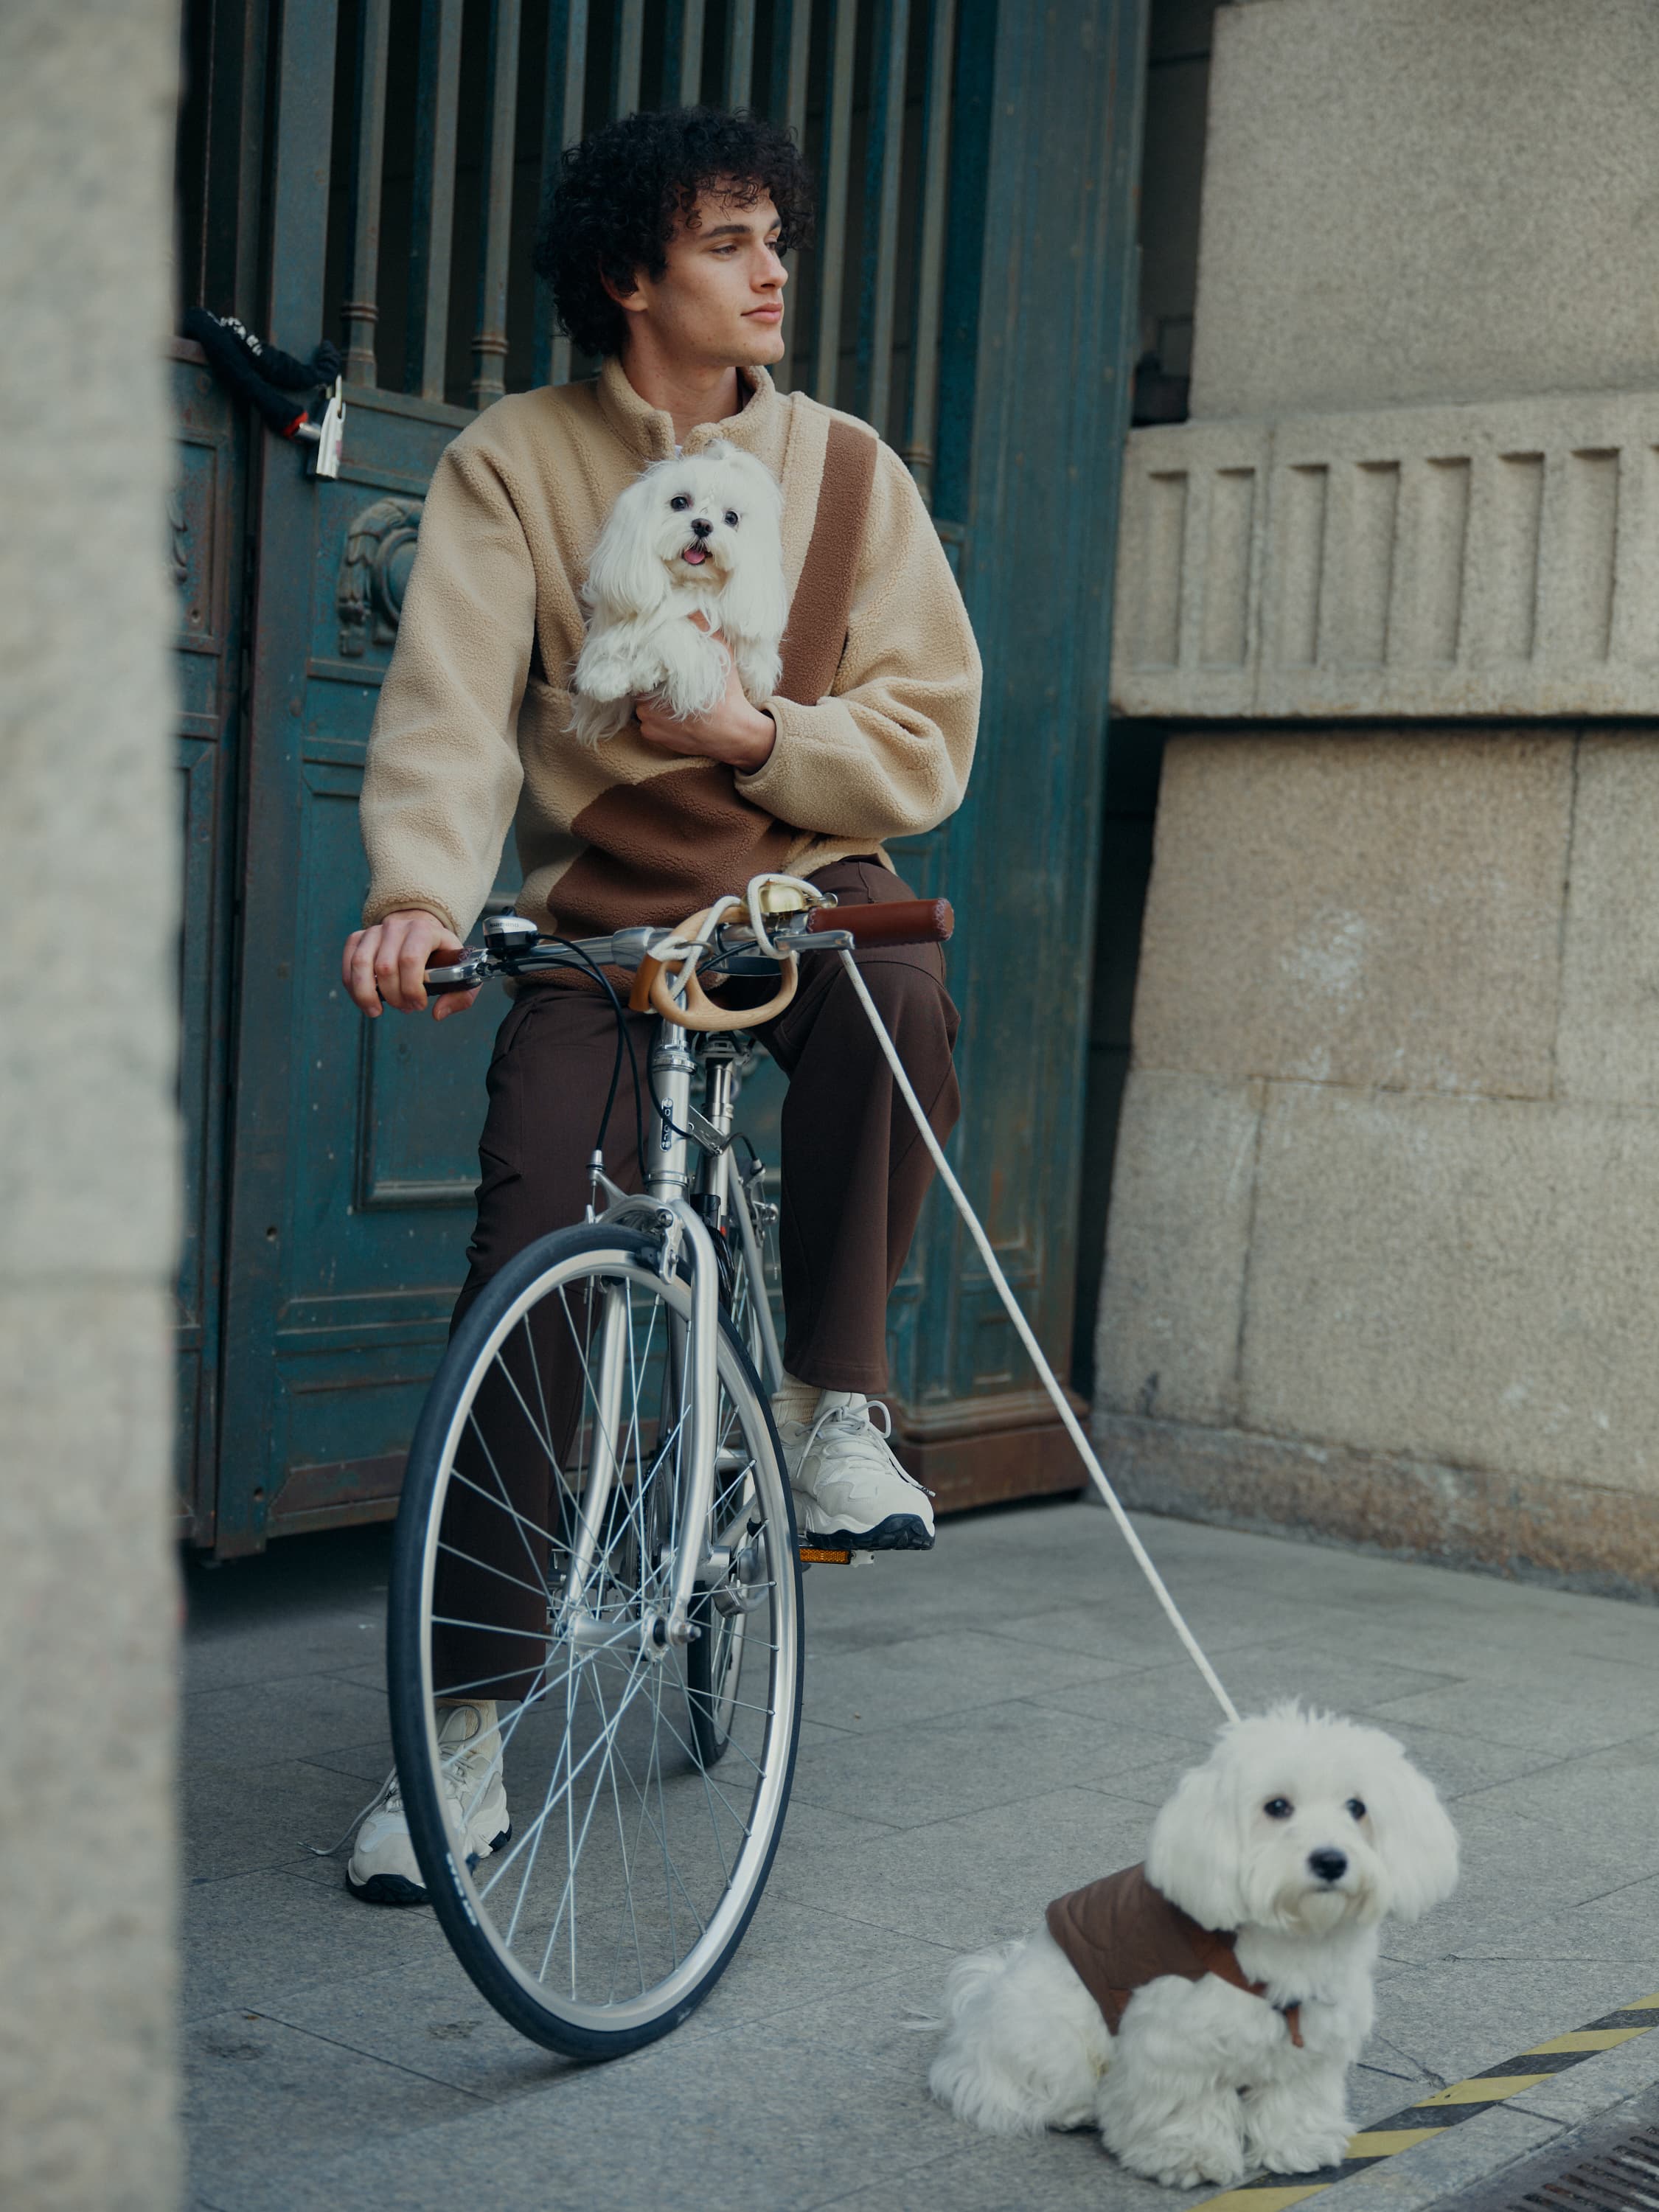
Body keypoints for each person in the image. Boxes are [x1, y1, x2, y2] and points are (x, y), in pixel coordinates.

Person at [339, 106, 981, 1902]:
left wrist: (763, 733)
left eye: (777, 235)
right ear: (634, 276)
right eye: (728, 241)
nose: (775, 271)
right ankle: (458, 1742)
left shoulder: (853, 470)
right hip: (607, 910)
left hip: (801, 878)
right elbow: (459, 705)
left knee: (901, 994)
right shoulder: (512, 464)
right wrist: (416, 895)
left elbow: (929, 726)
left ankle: (828, 1406)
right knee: (532, 1243)